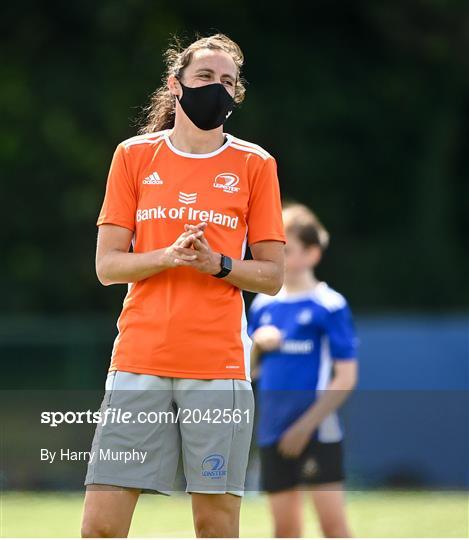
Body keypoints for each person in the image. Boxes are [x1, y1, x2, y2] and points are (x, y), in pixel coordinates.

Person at [81, 33, 286, 538]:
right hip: (138, 360)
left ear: (236, 95)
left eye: (227, 82)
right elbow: (108, 266)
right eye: (204, 78)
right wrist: (167, 257)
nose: (215, 89)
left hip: (218, 367)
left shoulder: (255, 165)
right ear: (176, 85)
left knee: (215, 524)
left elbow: (272, 276)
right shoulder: (133, 156)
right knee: (101, 526)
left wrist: (216, 263)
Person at [248, 202, 358, 538]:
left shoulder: (330, 305)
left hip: (316, 432)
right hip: (273, 431)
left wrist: (304, 427)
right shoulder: (263, 304)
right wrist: (256, 345)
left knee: (333, 527)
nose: (279, 257)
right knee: (284, 530)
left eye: (289, 250)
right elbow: (248, 373)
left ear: (312, 254)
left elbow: (346, 377)